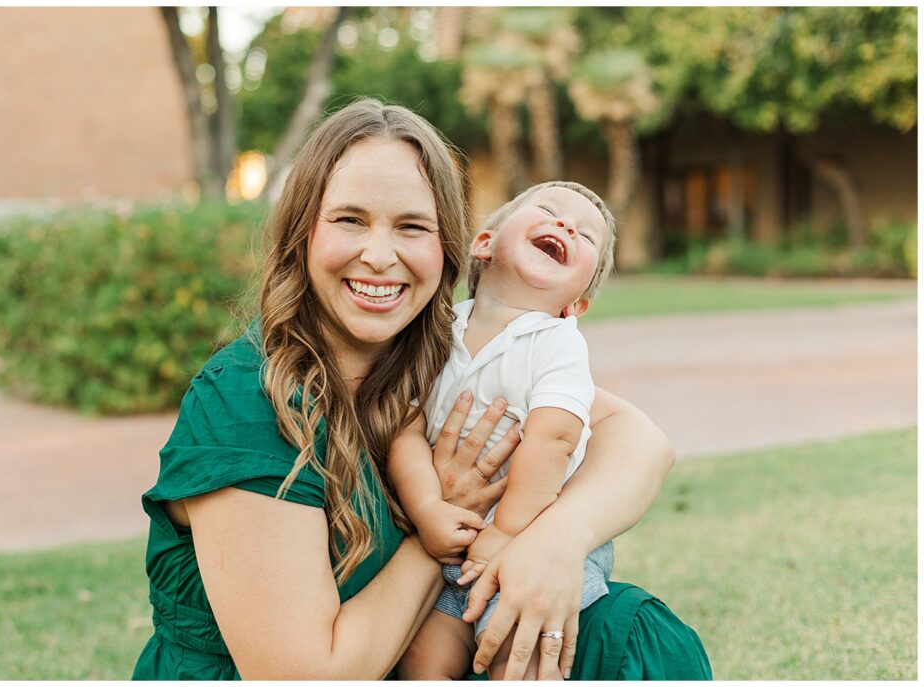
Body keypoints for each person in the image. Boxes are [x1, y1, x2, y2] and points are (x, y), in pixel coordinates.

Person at [131, 99, 712, 680]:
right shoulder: (246, 400)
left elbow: (638, 439)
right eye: (350, 220)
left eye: (412, 226)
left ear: (448, 246)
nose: (380, 257)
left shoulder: (433, 350)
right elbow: (308, 676)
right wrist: (444, 516)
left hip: (442, 624)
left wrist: (557, 539)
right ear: (302, 232)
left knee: (632, 634)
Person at [392, 180, 617, 680]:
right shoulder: (438, 329)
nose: (566, 225)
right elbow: (405, 427)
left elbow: (553, 440)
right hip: (457, 538)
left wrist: (507, 532)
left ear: (577, 304)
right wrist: (427, 506)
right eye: (548, 209)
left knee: (515, 648)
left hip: (534, 534)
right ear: (485, 244)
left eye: (585, 236)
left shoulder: (558, 344)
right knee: (422, 660)